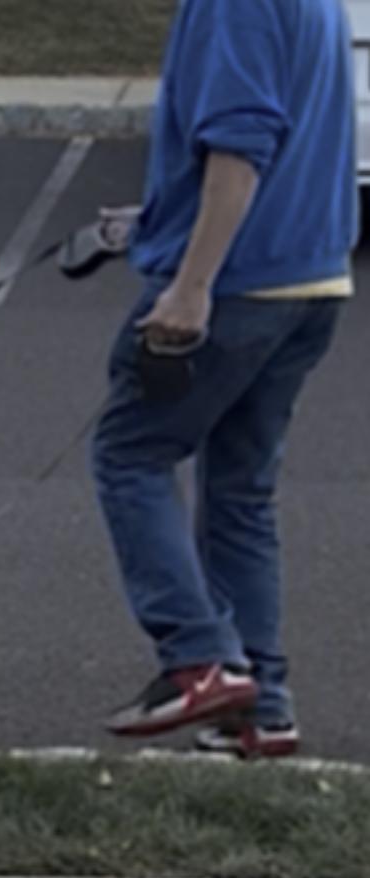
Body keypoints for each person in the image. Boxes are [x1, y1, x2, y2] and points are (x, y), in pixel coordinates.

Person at [91, 0, 358, 757]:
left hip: (236, 287)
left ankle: (198, 659)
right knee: (240, 491)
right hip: (312, 280)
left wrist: (189, 283)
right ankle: (262, 708)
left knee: (128, 455)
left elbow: (241, 146)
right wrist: (158, 218)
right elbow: (284, 137)